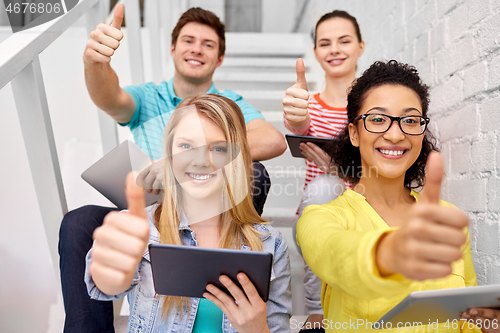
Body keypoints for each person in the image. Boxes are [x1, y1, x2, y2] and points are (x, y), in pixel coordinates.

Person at [59, 5, 286, 333]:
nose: (196, 48)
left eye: (208, 44)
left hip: (213, 204)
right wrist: (95, 63)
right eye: (188, 40)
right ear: (173, 48)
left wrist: (187, 160)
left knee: (255, 173)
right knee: (78, 222)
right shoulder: (148, 97)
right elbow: (108, 96)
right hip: (147, 208)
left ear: (219, 58)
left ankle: (237, 251)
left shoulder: (230, 103)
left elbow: (273, 139)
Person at [296, 60, 481, 332]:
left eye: (410, 120)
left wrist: (488, 325)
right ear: (354, 134)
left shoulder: (448, 220)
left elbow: (468, 320)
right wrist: (388, 254)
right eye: (378, 119)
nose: (395, 134)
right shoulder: (322, 217)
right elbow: (336, 255)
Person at [85, 94, 292, 332]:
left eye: (218, 148)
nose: (201, 161)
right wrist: (110, 274)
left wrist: (258, 329)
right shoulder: (140, 225)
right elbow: (108, 285)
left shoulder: (270, 243)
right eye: (186, 146)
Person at [282, 10, 364, 331]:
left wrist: (340, 168)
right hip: (318, 216)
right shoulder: (307, 105)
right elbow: (299, 123)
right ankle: (317, 309)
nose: (334, 49)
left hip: (365, 212)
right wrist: (298, 114)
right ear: (315, 51)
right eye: (325, 43)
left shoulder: (374, 107)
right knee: (324, 189)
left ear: (360, 46)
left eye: (344, 41)